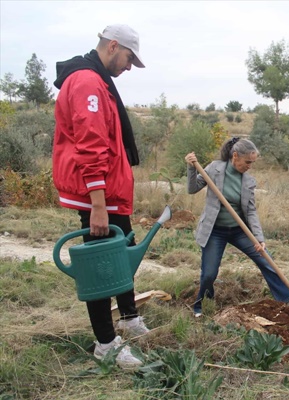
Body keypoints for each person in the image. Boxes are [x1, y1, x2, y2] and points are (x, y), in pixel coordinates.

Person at [53, 24, 148, 369]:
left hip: (108, 192)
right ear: (112, 46)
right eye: (127, 59)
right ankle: (106, 343)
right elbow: (91, 145)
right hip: (98, 194)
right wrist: (96, 205)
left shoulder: (98, 81)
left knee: (121, 254)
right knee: (102, 266)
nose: (127, 68)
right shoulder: (87, 82)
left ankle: (128, 317)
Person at [185, 138, 289, 317]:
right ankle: (202, 304)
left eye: (253, 163)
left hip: (240, 230)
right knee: (209, 273)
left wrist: (259, 239)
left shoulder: (248, 181)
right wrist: (192, 168)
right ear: (235, 156)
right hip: (214, 231)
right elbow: (192, 189)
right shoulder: (214, 169)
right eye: (247, 162)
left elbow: (252, 212)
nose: (250, 166)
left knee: (266, 259)